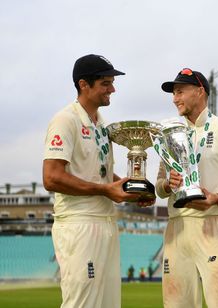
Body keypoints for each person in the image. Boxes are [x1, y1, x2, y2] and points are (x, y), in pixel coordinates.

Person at [43, 54, 145, 308]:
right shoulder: (65, 120)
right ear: (83, 85)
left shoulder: (101, 125)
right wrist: (105, 190)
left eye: (112, 82)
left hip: (106, 222)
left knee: (108, 304)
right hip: (80, 224)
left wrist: (133, 188)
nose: (113, 89)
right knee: (82, 303)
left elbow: (101, 173)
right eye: (106, 83)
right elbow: (52, 177)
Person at [156, 68, 218, 308]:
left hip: (213, 224)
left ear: (200, 91)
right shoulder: (171, 134)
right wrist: (169, 185)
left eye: (180, 91)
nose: (174, 98)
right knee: (176, 305)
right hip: (177, 227)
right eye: (173, 93)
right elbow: (159, 188)